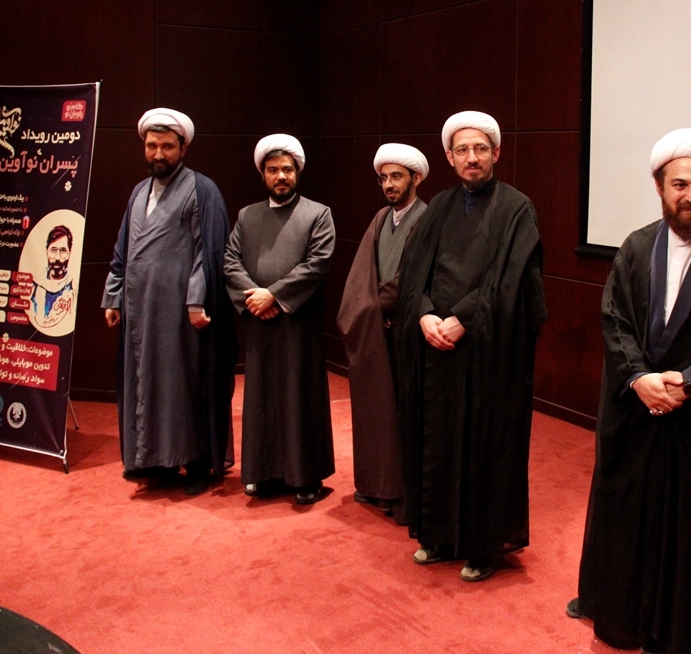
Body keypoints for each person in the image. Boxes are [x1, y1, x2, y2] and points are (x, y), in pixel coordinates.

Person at [567, 129, 691, 653]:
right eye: (680, 185)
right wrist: (639, 378)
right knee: (627, 517)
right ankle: (623, 617)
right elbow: (614, 319)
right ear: (660, 187)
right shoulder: (635, 247)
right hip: (638, 409)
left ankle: (679, 630)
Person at [395, 111, 547, 582]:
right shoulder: (438, 206)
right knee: (438, 442)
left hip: (487, 353)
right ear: (449, 157)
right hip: (435, 348)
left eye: (480, 148)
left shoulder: (517, 208)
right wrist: (423, 314)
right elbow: (412, 272)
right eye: (462, 150)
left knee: (485, 448)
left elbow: (513, 282)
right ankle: (439, 535)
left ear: (496, 152)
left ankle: (484, 546)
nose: (472, 158)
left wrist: (463, 319)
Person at [102, 108, 237, 496]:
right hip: (139, 311)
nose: (158, 154)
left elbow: (208, 252)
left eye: (166, 146)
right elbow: (122, 250)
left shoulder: (202, 190)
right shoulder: (138, 193)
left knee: (183, 385)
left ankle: (195, 462)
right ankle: (155, 461)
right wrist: (113, 296)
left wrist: (196, 302)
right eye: (151, 146)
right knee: (145, 383)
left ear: (183, 148)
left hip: (180, 315)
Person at [224, 134, 336, 506]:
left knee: (299, 396)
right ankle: (264, 473)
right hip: (259, 321)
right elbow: (230, 261)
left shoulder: (317, 214)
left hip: (298, 323)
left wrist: (274, 295)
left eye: (287, 169)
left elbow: (317, 263)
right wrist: (255, 298)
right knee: (262, 399)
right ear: (263, 174)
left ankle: (306, 477)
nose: (281, 176)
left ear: (297, 172)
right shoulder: (247, 215)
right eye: (272, 170)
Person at [336, 143, 429, 519]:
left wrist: (372, 304)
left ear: (416, 178)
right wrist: (367, 307)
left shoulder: (427, 218)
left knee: (403, 416)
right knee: (375, 413)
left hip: (407, 334)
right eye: (384, 178)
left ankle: (402, 494)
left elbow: (415, 278)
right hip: (377, 332)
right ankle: (375, 484)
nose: (389, 184)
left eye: (397, 177)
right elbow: (362, 273)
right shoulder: (379, 218)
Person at [30, 224, 75, 329]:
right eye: (53, 251)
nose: (57, 257)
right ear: (47, 252)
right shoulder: (34, 287)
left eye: (63, 251)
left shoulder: (73, 287)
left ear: (69, 253)